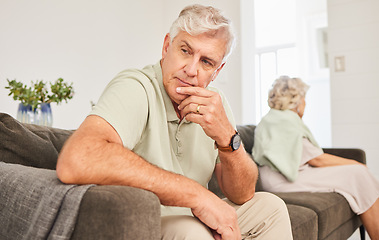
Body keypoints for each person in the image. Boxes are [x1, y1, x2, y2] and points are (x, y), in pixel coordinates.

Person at [56, 4, 293, 240]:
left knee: (271, 208)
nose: (191, 70)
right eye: (185, 51)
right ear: (167, 46)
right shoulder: (136, 87)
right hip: (146, 222)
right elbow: (78, 158)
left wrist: (227, 138)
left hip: (196, 221)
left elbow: (242, 194)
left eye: (206, 62)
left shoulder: (216, 104)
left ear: (216, 71)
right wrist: (198, 196)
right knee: (192, 231)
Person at [252, 75, 379, 239]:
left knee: (357, 175)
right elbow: (316, 158)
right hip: (282, 180)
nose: (305, 103)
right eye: (304, 98)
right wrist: (357, 165)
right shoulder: (284, 121)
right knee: (358, 174)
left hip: (277, 177)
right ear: (296, 101)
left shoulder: (273, 119)